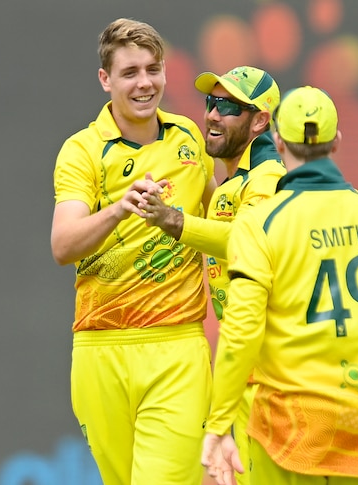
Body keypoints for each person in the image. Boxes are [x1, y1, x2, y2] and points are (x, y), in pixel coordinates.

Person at [200, 86, 358, 485]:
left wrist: (219, 426)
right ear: (336, 142)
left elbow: (241, 335)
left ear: (277, 141)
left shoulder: (260, 224)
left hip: (289, 433)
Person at [50, 18, 216, 485]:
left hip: (177, 346)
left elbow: (219, 221)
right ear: (105, 80)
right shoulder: (82, 151)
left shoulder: (188, 137)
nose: (145, 83)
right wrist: (118, 210)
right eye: (130, 72)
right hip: (99, 349)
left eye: (153, 69)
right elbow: (63, 245)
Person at [138, 65, 284, 484]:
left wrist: (174, 221)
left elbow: (248, 238)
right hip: (247, 367)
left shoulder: (268, 178)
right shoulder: (235, 182)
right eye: (210, 102)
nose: (213, 115)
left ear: (260, 121)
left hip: (269, 370)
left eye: (228, 107)